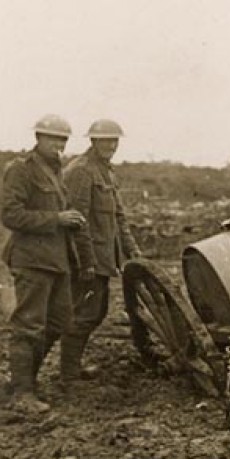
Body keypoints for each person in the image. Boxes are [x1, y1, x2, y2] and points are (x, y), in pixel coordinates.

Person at [1, 114, 86, 413]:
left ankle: (23, 381)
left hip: (58, 260)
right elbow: (9, 214)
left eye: (63, 139)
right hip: (32, 259)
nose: (59, 145)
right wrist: (56, 219)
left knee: (59, 322)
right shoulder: (21, 170)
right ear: (38, 138)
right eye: (53, 138)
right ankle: (22, 393)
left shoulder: (56, 171)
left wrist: (69, 222)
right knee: (28, 325)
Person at [60, 119, 142, 381]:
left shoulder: (106, 172)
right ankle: (69, 373)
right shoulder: (81, 171)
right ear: (93, 141)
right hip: (87, 258)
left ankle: (72, 367)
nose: (111, 146)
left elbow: (119, 217)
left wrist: (133, 251)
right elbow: (77, 221)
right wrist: (86, 263)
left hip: (104, 258)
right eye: (105, 140)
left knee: (96, 312)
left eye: (114, 141)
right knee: (85, 313)